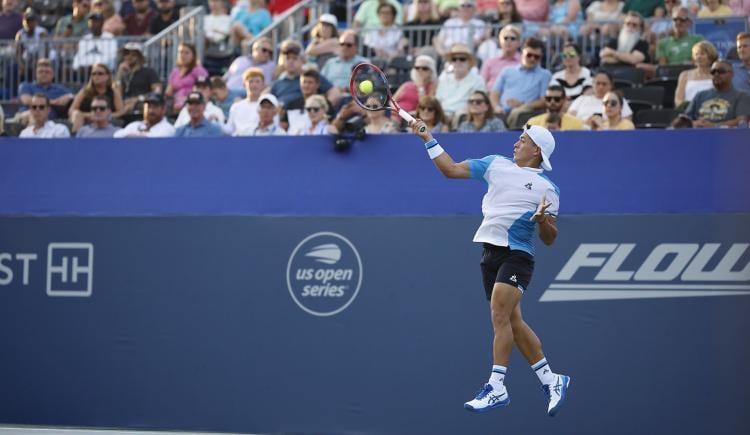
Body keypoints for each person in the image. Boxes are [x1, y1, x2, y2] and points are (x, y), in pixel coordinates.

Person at [407, 118, 570, 417]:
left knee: (498, 313)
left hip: (518, 254)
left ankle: (497, 386)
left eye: (523, 139)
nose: (516, 142)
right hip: (489, 253)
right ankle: (551, 378)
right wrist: (427, 138)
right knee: (513, 323)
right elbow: (450, 169)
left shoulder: (549, 189)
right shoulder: (494, 164)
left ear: (537, 150)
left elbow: (550, 239)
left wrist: (543, 220)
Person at [491, 37, 551, 129]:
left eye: (536, 56)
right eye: (529, 55)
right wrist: (496, 107)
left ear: (541, 58)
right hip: (502, 111)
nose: (532, 59)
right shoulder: (507, 71)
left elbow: (544, 101)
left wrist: (523, 105)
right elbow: (494, 94)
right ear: (522, 52)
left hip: (525, 113)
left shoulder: (545, 75)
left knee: (517, 113)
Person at [270, 40, 338, 107]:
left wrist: (324, 109)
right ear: (283, 61)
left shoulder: (312, 76)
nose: (291, 61)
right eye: (287, 58)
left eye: (294, 58)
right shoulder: (277, 83)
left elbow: (334, 93)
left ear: (302, 61)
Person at [684, 60, 750, 128]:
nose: (716, 74)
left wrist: (714, 126)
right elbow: (684, 119)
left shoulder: (742, 96)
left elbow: (741, 121)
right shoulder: (700, 95)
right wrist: (693, 123)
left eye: (721, 71)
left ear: (732, 74)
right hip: (698, 135)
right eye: (713, 72)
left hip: (726, 136)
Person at [436, 43, 487, 121]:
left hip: (463, 117)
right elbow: (437, 101)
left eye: (462, 59)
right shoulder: (444, 79)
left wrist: (454, 115)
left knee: (461, 115)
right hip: (441, 116)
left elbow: (478, 103)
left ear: (469, 62)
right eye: (454, 59)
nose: (458, 62)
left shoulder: (477, 81)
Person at [69, 63, 124, 133]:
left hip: (106, 121)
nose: (96, 76)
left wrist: (103, 114)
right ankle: (76, 138)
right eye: (93, 74)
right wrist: (81, 115)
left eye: (100, 73)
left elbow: (121, 111)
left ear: (107, 76)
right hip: (84, 121)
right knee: (77, 114)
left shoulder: (114, 91)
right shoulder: (85, 91)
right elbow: (72, 109)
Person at [18, 58, 74, 122]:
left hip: (50, 121)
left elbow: (72, 96)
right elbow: (26, 100)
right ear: (36, 73)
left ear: (53, 75)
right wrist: (54, 102)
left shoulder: (59, 89)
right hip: (26, 115)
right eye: (41, 71)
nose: (44, 74)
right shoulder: (26, 86)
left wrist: (69, 97)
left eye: (47, 72)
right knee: (34, 114)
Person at [116, 42, 162, 118]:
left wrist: (138, 99)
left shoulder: (149, 72)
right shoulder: (122, 73)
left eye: (134, 54)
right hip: (124, 108)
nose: (129, 57)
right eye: (126, 54)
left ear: (140, 57)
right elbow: (117, 94)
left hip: (143, 108)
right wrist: (119, 74)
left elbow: (157, 92)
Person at [567, 70, 633, 121]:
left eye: (604, 84)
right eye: (598, 83)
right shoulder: (581, 99)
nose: (601, 87)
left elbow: (627, 121)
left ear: (611, 85)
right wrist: (585, 122)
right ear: (592, 84)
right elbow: (568, 119)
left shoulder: (618, 100)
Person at [165, 42, 209, 111]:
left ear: (193, 55)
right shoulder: (175, 72)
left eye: (186, 53)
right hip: (175, 106)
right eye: (180, 52)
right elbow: (168, 93)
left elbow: (205, 90)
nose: (183, 55)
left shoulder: (199, 70)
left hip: (193, 105)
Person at [674, 41, 717, 109]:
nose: (698, 57)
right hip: (688, 112)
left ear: (711, 57)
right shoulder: (684, 75)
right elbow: (678, 100)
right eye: (696, 54)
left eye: (702, 54)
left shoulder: (717, 76)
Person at [479, 25, 522, 91]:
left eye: (512, 38)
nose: (508, 41)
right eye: (505, 38)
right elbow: (481, 85)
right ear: (500, 42)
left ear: (519, 43)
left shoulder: (523, 62)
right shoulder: (490, 62)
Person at [226, 67, 265, 136]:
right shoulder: (236, 107)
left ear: (263, 85)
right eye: (251, 81)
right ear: (244, 84)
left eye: (257, 81)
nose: (254, 85)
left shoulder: (269, 107)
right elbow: (229, 129)